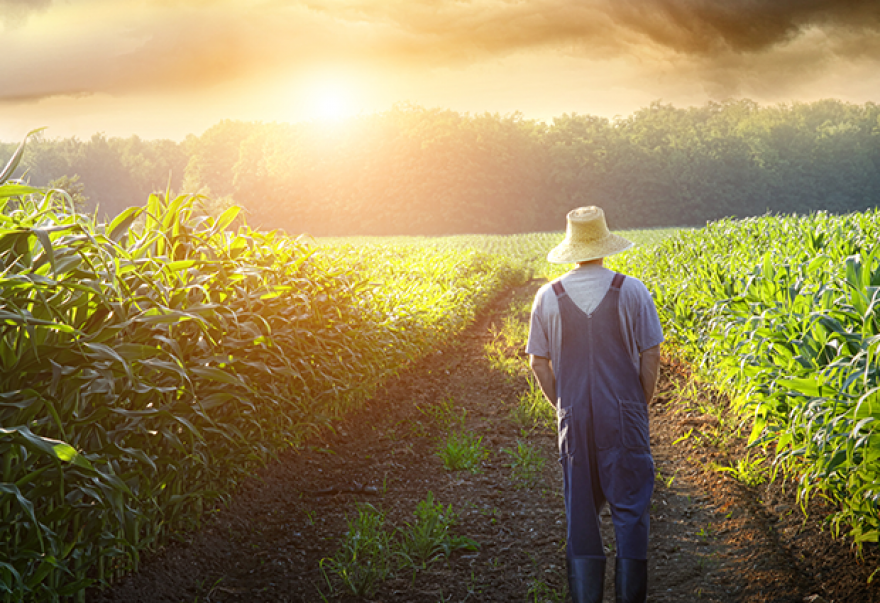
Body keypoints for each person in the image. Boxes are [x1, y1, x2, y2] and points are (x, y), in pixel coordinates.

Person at [527, 206, 663, 603]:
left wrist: (562, 405)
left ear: (571, 247)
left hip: (573, 417)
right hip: (624, 413)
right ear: (605, 244)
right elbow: (650, 353)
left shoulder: (547, 297)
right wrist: (639, 403)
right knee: (631, 509)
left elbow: (538, 362)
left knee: (581, 517)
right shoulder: (632, 289)